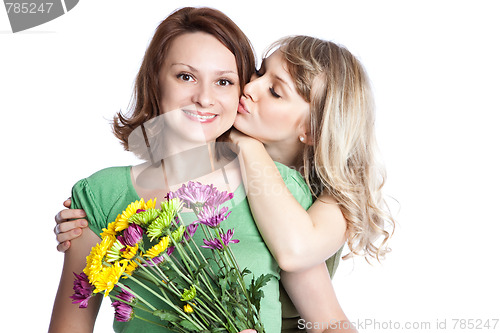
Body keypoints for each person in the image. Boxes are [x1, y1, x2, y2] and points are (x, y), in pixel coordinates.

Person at [49, 7, 356, 333]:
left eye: (224, 82)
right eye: (185, 76)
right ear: (155, 79)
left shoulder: (277, 189)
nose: (204, 98)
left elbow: (329, 324)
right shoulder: (100, 195)